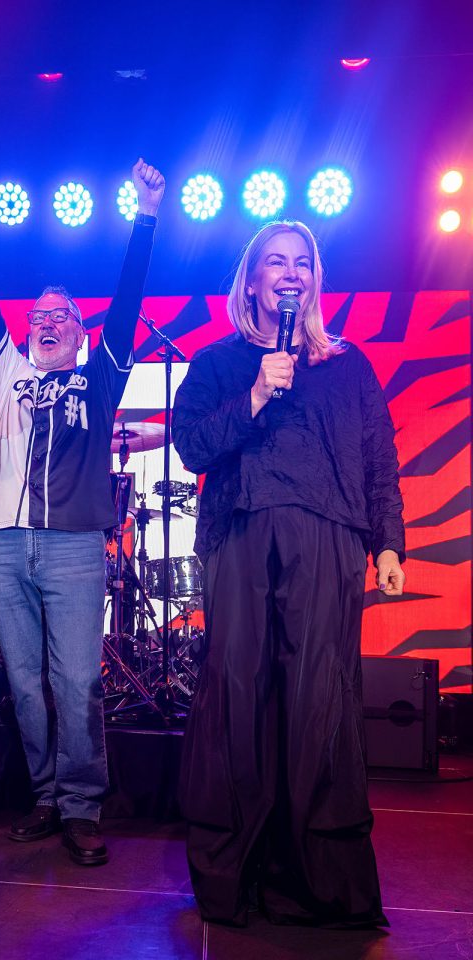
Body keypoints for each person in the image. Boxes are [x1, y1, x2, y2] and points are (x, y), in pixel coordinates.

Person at [171, 220, 405, 927]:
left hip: (327, 539)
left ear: (315, 282)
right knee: (238, 695)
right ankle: (235, 876)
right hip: (241, 535)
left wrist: (388, 544)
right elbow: (191, 446)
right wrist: (253, 396)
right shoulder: (218, 362)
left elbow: (378, 456)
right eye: (275, 262)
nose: (290, 272)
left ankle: (317, 881)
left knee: (318, 700)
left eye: (302, 262)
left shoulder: (347, 365)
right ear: (252, 282)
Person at [0, 160, 166, 865]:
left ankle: (82, 805)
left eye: (57, 316)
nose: (44, 323)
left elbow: (127, 300)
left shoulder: (99, 378)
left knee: (77, 680)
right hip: (6, 543)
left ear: (78, 331)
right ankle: (44, 795)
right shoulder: (6, 371)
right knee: (23, 681)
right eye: (36, 316)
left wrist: (145, 217)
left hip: (72, 546)